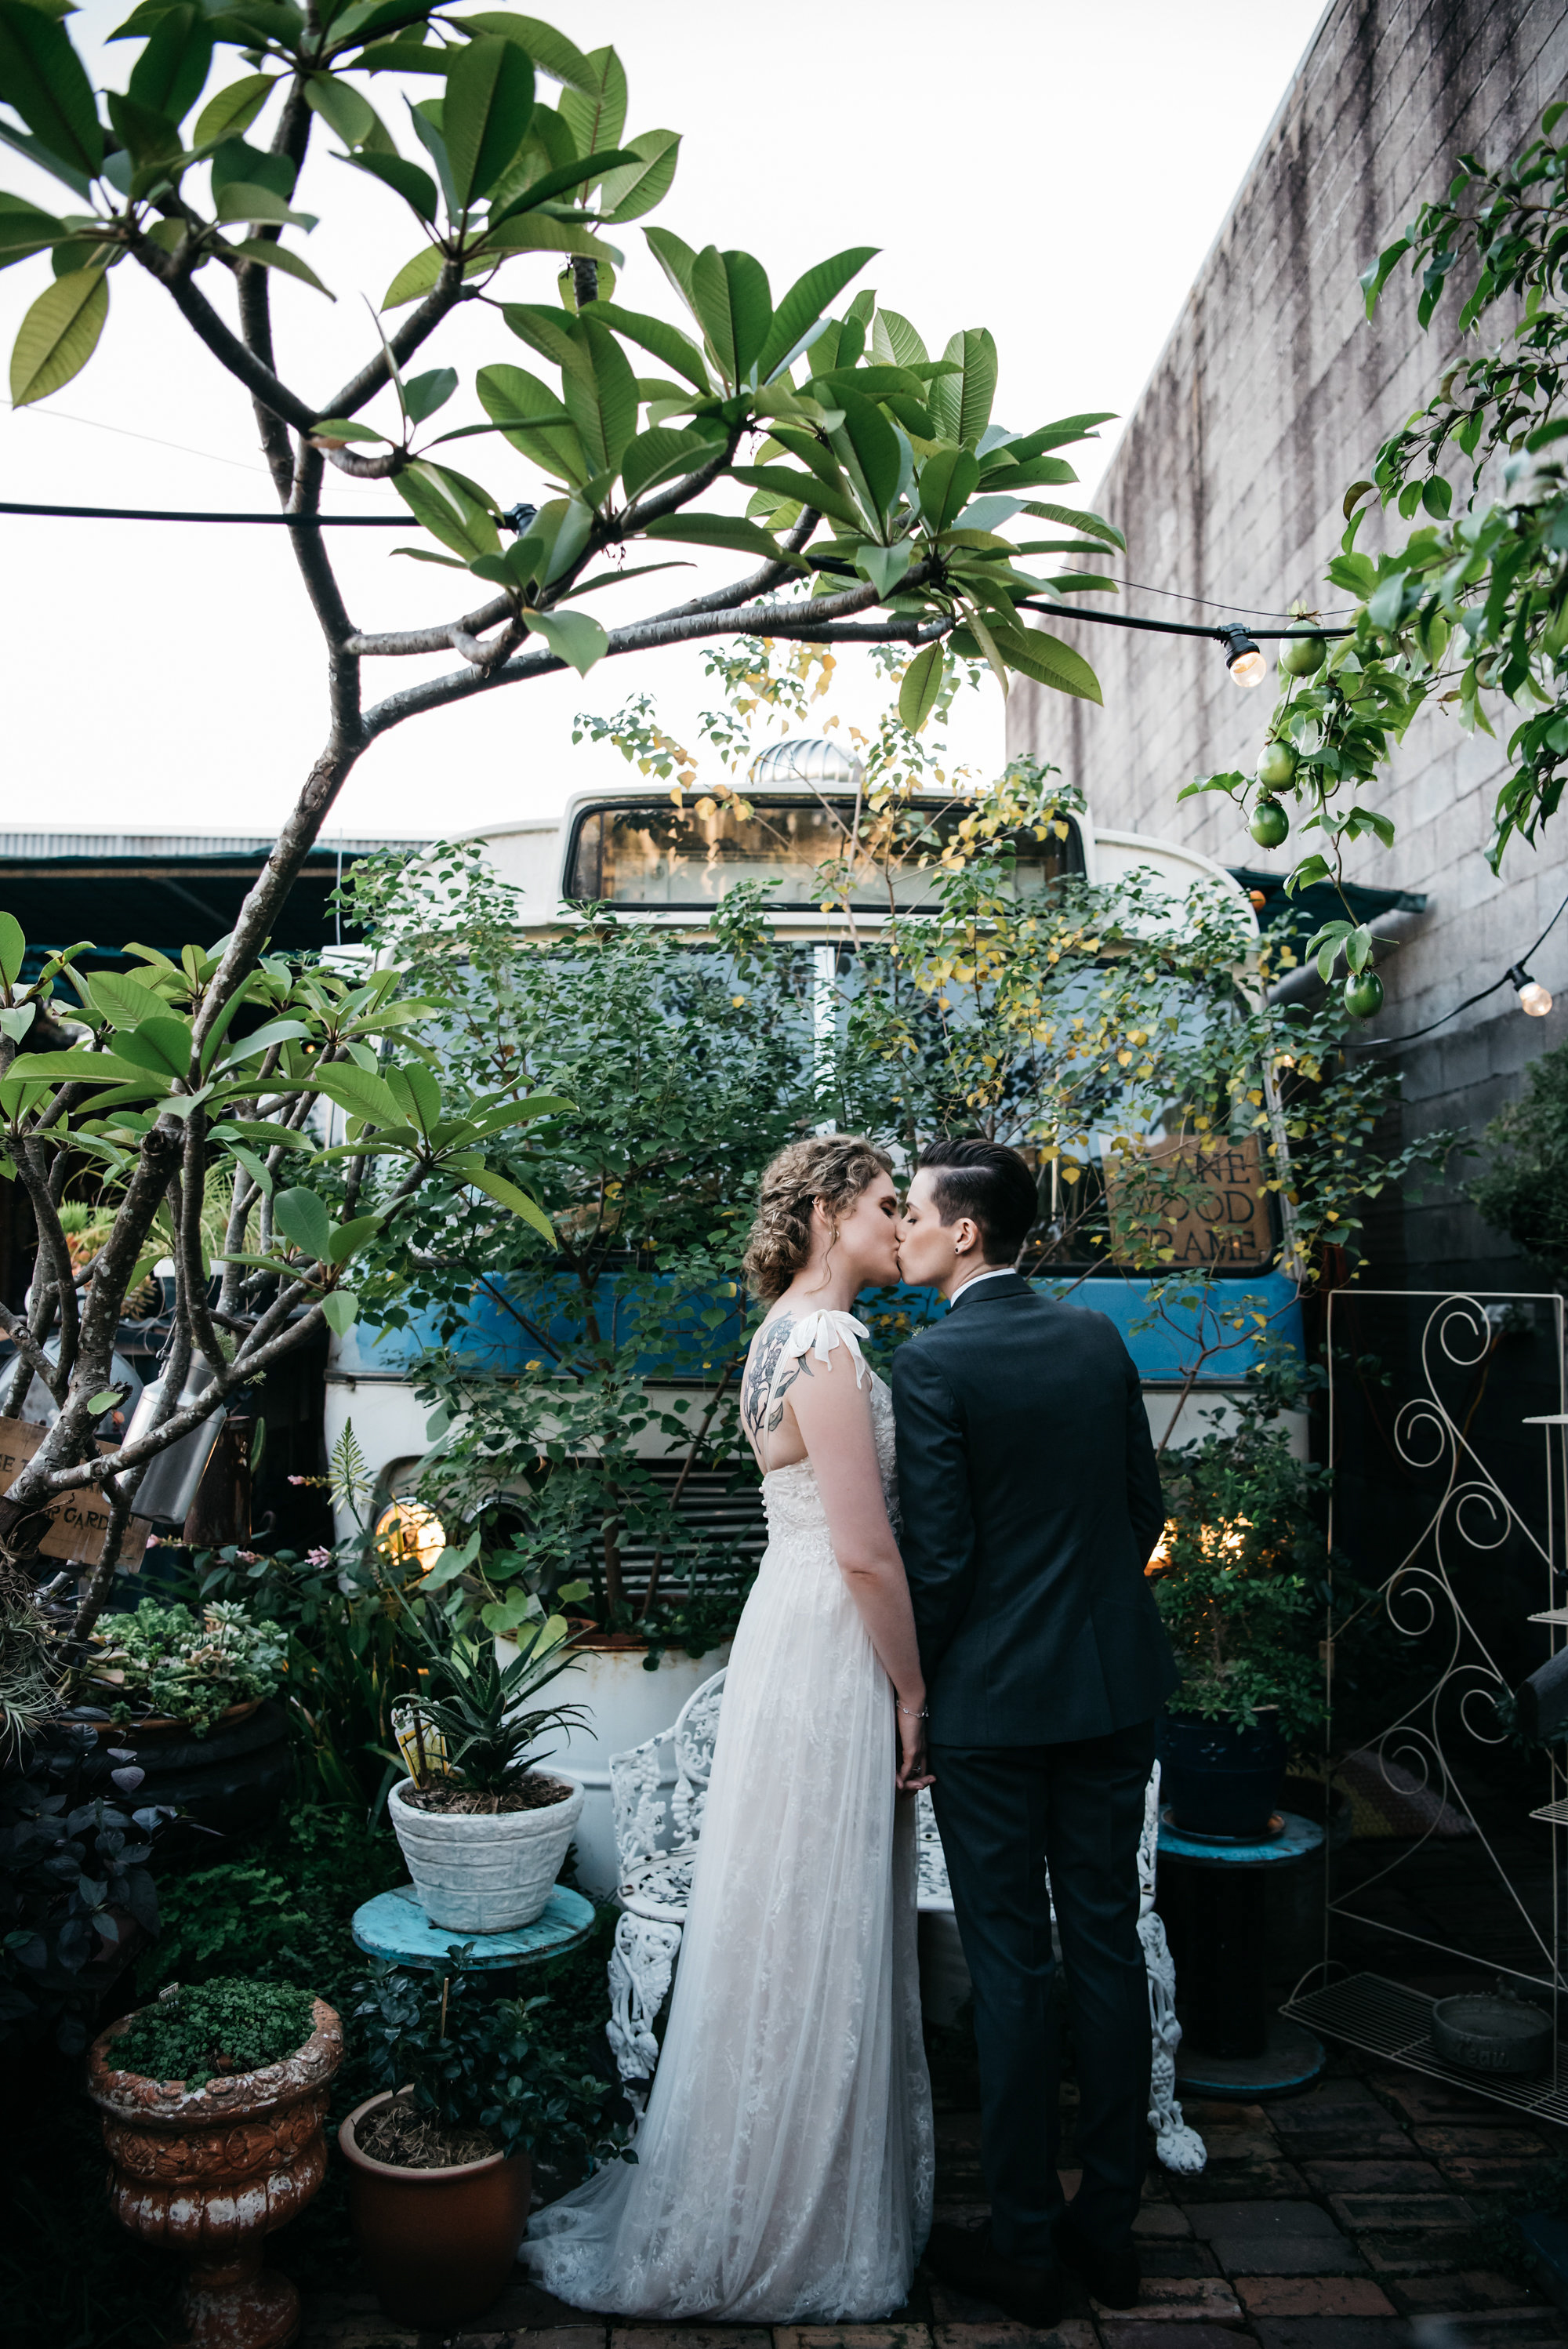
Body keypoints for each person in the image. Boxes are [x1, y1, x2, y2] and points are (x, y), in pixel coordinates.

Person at [520, 1134, 934, 2320]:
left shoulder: (774, 1338)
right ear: (825, 1213)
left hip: (787, 1629)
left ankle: (765, 2175)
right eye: (882, 1205)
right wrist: (914, 1694)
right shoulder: (831, 1342)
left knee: (789, 1908)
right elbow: (863, 1547)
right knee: (820, 1906)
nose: (899, 1223)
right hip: (830, 1643)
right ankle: (783, 2214)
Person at [893, 1136, 1176, 2323]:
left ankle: (1022, 2244)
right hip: (1111, 1693)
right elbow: (1140, 1507)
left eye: (913, 1211)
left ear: (966, 1233)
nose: (901, 1226)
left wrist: (920, 1690)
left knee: (1011, 1964)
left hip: (994, 1711)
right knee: (1106, 1948)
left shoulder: (934, 1365)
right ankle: (1107, 2233)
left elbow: (944, 1562)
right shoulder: (1096, 1338)